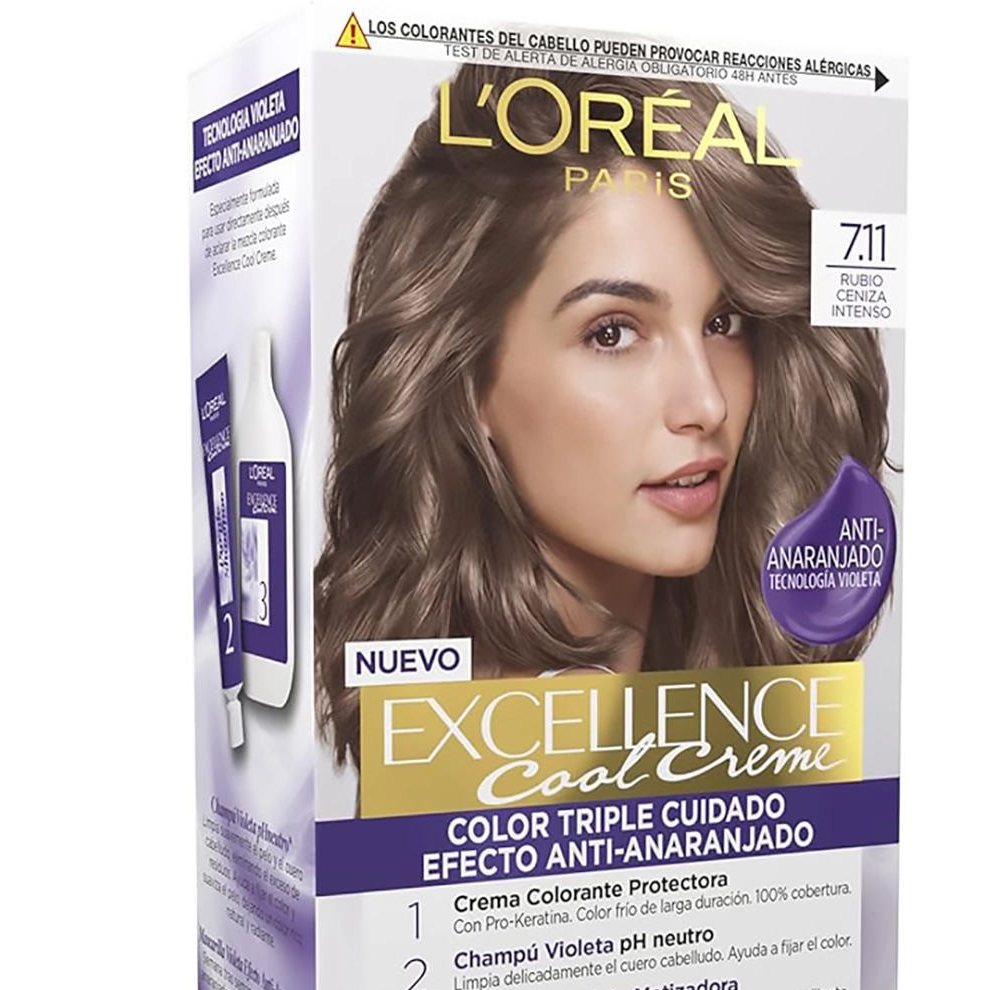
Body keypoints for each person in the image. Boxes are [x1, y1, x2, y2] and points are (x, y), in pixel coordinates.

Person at [315, 66, 891, 772]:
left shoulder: (712, 712)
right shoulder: (489, 773)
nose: (706, 403)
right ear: (465, 379)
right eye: (612, 333)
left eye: (724, 322)